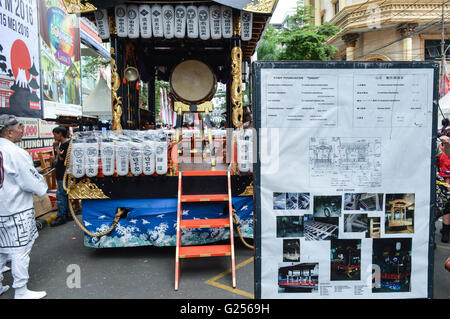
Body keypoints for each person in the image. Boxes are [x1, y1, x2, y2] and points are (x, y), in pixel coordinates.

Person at [0, 114, 47, 299]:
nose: (22, 130)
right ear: (10, 132)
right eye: (20, 127)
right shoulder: (16, 152)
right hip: (15, 209)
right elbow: (30, 182)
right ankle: (20, 290)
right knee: (20, 250)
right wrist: (42, 190)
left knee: (2, 249)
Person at [50, 126, 70, 227]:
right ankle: (68, 214)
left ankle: (62, 216)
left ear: (60, 134)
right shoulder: (63, 144)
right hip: (62, 174)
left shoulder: (66, 145)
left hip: (63, 174)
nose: (54, 136)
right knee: (65, 195)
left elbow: (62, 158)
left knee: (61, 196)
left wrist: (56, 147)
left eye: (55, 134)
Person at [437, 133, 450, 243]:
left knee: (446, 207)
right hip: (442, 184)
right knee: (445, 207)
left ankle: (446, 230)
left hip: (444, 183)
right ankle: (445, 231)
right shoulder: (441, 151)